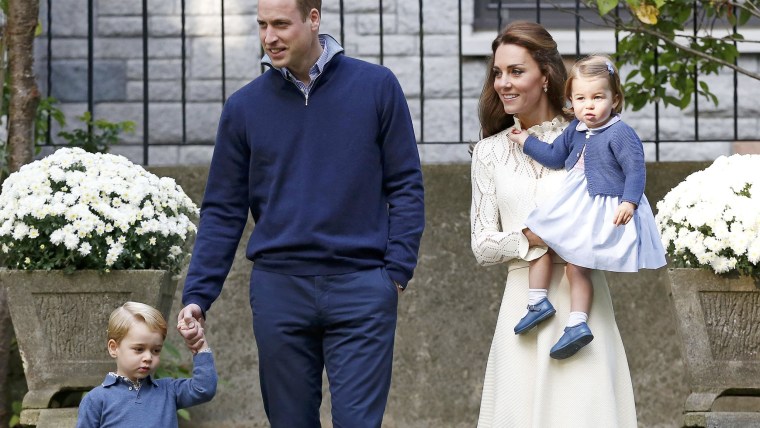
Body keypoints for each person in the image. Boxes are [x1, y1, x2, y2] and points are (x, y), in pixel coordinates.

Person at [176, 0, 425, 426]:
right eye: (261, 25)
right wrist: (199, 294)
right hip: (279, 291)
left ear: (313, 19)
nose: (269, 37)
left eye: (280, 24)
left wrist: (395, 273)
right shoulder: (243, 107)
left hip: (362, 287)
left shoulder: (376, 87)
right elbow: (223, 208)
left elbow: (405, 184)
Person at [470, 21, 637, 427]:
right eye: (497, 73)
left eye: (516, 71)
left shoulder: (592, 134)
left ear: (545, 76)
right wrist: (531, 237)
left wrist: (583, 230)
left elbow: (619, 208)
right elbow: (481, 244)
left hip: (582, 302)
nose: (503, 84)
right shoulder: (489, 153)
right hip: (523, 303)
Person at [507, 54, 666, 359]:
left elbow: (636, 170)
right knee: (536, 236)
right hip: (574, 202)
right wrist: (526, 140)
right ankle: (538, 302)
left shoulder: (620, 133)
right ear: (571, 99)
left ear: (615, 99)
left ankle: (577, 322)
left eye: (597, 97)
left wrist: (629, 202)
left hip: (601, 206)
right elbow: (554, 156)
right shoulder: (576, 129)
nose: (588, 106)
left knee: (577, 265)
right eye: (580, 98)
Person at [76, 302, 217, 427]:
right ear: (114, 348)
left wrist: (200, 348)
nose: (148, 357)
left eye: (156, 350)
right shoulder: (96, 400)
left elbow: (204, 389)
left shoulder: (169, 391)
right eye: (139, 349)